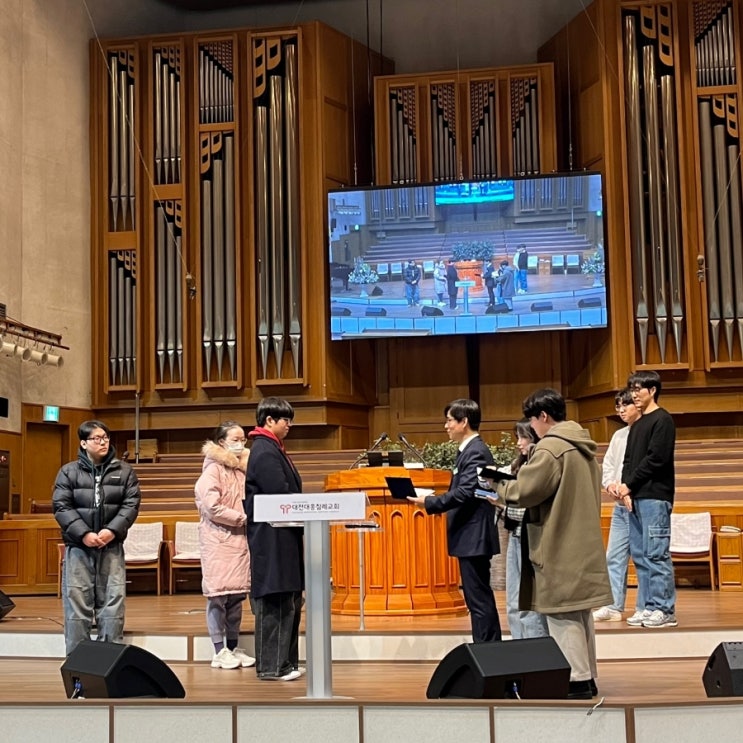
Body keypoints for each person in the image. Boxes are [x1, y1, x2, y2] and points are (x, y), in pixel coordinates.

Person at [492, 389, 612, 699]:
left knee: (562, 614)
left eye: (532, 420)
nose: (532, 427)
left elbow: (525, 491)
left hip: (559, 544)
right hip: (582, 542)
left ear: (543, 416)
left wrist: (497, 484)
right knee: (580, 614)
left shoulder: (551, 448)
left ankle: (576, 681)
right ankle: (588, 677)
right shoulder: (583, 445)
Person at [408, 399, 501, 643]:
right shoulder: (468, 451)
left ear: (464, 422)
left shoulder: (476, 451)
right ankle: (487, 648)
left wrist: (429, 502)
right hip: (469, 536)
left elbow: (466, 492)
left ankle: (488, 650)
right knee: (476, 599)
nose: (446, 425)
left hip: (474, 536)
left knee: (478, 599)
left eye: (450, 420)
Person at [52, 420, 141, 656]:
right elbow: (61, 506)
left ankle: (110, 660)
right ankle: (78, 661)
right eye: (96, 438)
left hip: (111, 546)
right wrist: (84, 533)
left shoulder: (124, 471)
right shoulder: (68, 471)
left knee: (112, 604)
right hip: (78, 547)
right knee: (77, 605)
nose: (103, 442)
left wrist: (112, 530)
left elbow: (131, 505)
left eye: (105, 437)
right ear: (83, 443)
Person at [244, 397, 304, 681]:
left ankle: (286, 664)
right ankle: (272, 667)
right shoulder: (264, 450)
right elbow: (279, 494)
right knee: (276, 600)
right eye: (285, 420)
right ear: (269, 420)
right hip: (272, 538)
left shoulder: (272, 447)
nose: (289, 425)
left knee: (288, 599)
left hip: (283, 536)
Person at [616, 370, 677, 629]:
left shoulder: (663, 420)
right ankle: (649, 606)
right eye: (631, 389)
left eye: (638, 389)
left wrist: (629, 484)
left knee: (656, 554)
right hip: (637, 496)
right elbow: (629, 460)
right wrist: (626, 491)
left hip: (655, 496)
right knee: (641, 555)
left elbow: (656, 459)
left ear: (652, 390)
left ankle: (664, 609)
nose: (634, 394)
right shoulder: (638, 424)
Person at [195, 421, 255, 670]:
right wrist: (242, 518)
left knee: (236, 596)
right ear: (221, 442)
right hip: (218, 540)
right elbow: (212, 507)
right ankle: (219, 650)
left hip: (240, 540)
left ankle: (232, 646)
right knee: (218, 597)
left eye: (243, 439)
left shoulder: (242, 469)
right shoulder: (212, 470)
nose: (240, 444)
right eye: (235, 439)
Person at [593, 390, 642, 622]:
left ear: (638, 405)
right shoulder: (618, 435)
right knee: (614, 556)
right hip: (620, 506)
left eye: (626, 405)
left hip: (640, 503)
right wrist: (610, 484)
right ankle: (613, 606)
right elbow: (609, 465)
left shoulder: (646, 432)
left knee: (643, 558)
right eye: (618, 406)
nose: (621, 410)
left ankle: (645, 606)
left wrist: (628, 488)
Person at [500, 419, 548, 639]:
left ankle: (533, 648)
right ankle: (518, 645)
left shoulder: (540, 465)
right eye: (517, 437)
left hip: (532, 537)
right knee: (513, 599)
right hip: (515, 535)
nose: (519, 443)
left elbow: (528, 503)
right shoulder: (517, 464)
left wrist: (504, 501)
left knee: (529, 602)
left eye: (523, 437)